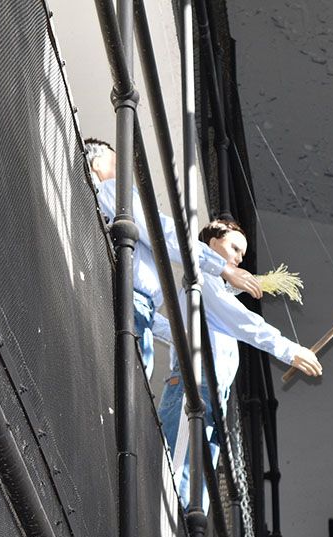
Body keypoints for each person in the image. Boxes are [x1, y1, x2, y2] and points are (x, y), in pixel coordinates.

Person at [158, 219, 321, 505]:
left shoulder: (213, 290)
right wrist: (289, 349)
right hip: (195, 385)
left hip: (209, 392)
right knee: (180, 483)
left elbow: (225, 313)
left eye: (242, 254)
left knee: (194, 487)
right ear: (211, 239)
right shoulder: (201, 279)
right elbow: (242, 321)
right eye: (234, 247)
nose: (238, 257)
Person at [84, 138, 263, 377]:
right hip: (132, 307)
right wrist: (222, 267)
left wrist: (178, 336)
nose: (123, 168)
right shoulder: (111, 190)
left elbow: (141, 303)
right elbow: (162, 232)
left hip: (126, 304)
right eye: (116, 161)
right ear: (96, 163)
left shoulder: (94, 207)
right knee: (128, 383)